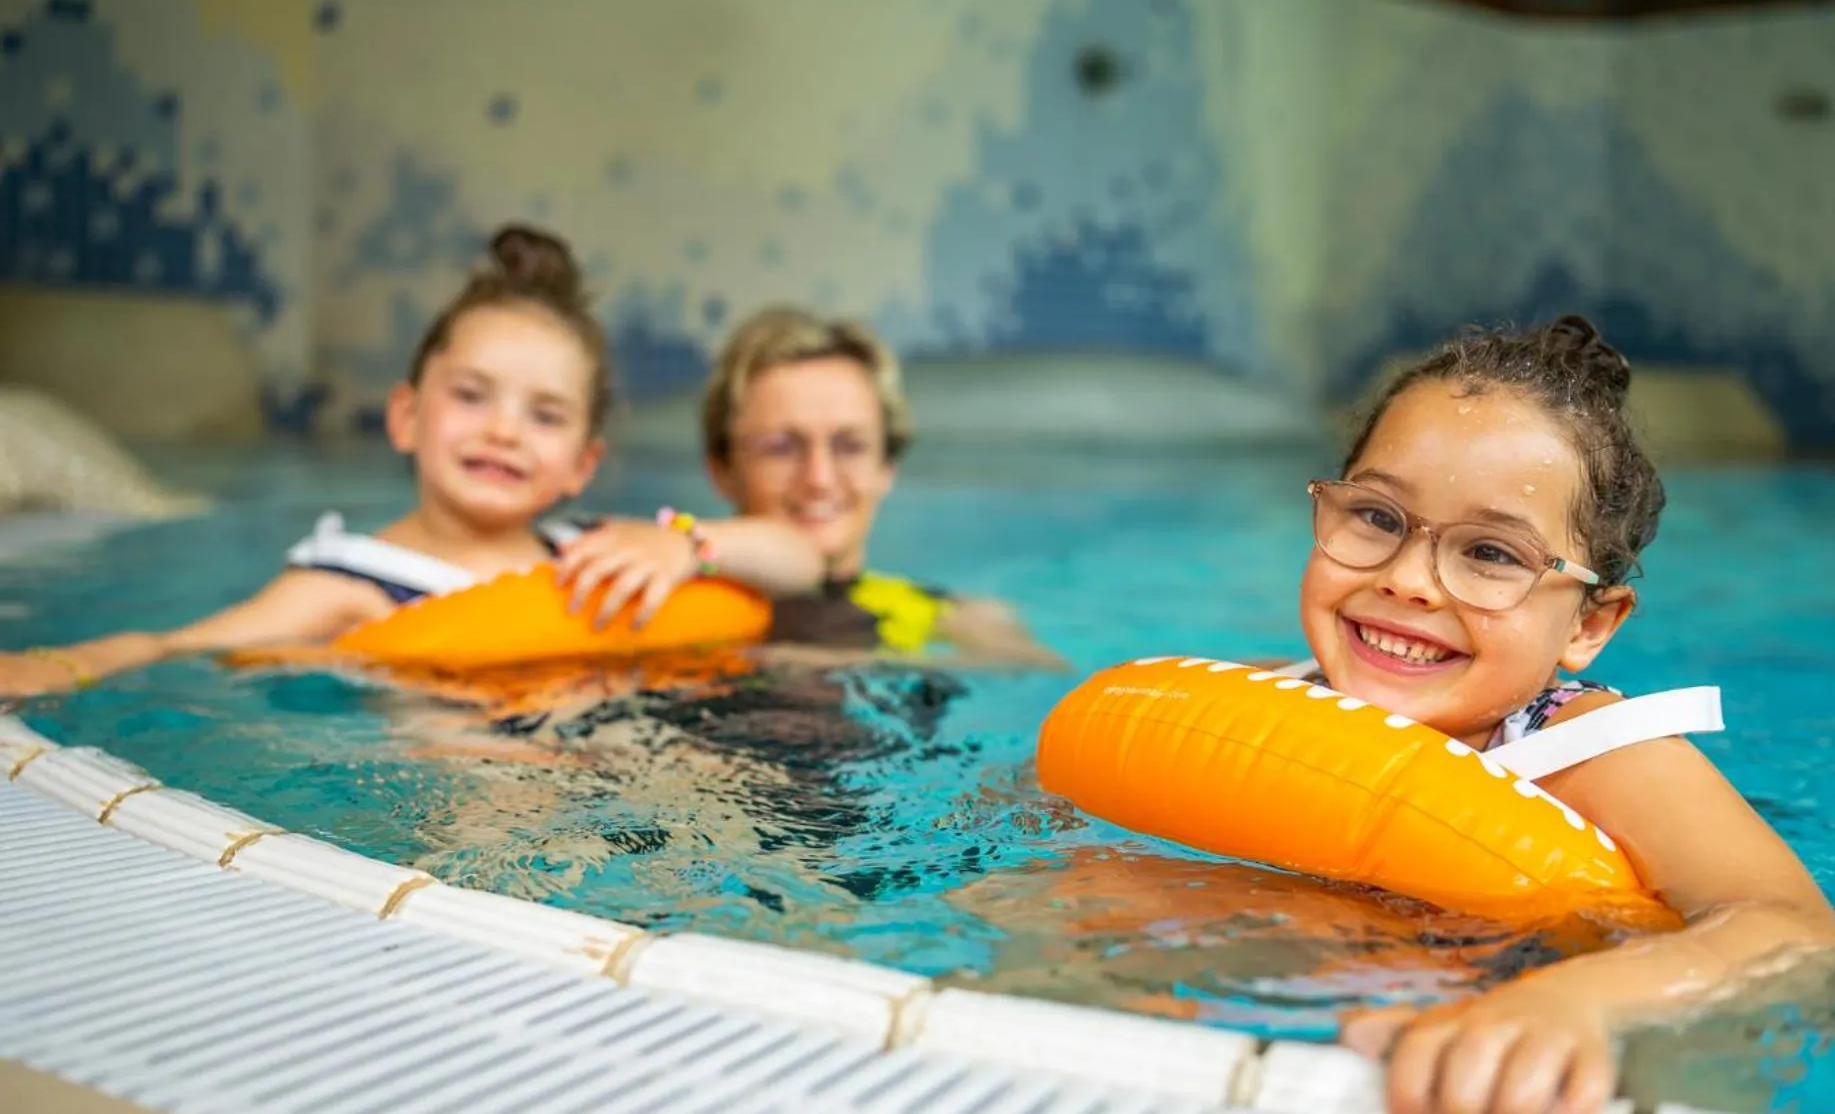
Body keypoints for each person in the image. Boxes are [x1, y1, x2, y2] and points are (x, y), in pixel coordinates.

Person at [1277, 314, 1835, 1114]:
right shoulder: (1276, 696)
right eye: (1376, 515)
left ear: (1589, 624)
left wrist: (1572, 1002)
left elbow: (1798, 933)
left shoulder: (1593, 752)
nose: (1405, 581)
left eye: (1491, 553)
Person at [0, 226, 822, 699]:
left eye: (544, 414)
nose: (503, 430)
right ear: (405, 416)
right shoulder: (351, 578)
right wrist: (59, 665)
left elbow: (802, 557)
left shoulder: (600, 550)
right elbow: (174, 644)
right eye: (472, 395)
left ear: (581, 463)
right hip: (474, 774)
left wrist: (687, 544)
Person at [554, 305, 1063, 667]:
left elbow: (1039, 712)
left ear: (888, 466)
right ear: (721, 469)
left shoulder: (950, 618)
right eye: (781, 447)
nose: (819, 480)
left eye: (849, 446)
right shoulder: (657, 587)